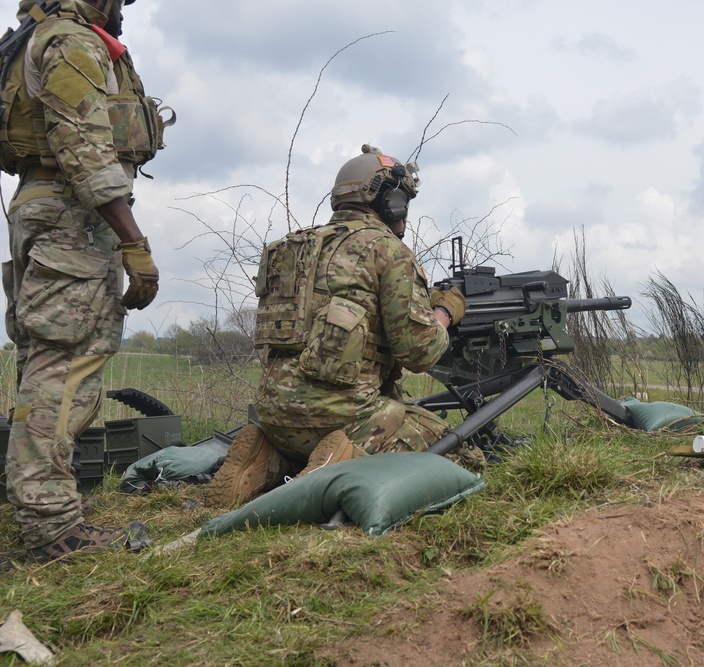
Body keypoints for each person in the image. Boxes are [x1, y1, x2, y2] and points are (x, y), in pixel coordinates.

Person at [205, 145, 483, 508]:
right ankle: (338, 464)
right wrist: (444, 312)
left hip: (274, 417)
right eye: (402, 201)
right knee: (461, 454)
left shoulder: (285, 249)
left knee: (310, 431)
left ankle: (267, 456)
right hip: (345, 419)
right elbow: (420, 353)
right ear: (388, 201)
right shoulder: (387, 250)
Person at [1, 0, 169, 562]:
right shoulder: (72, 42)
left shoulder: (35, 38)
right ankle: (51, 526)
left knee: (43, 363)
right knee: (66, 364)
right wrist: (132, 241)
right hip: (71, 216)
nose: (123, 8)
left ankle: (38, 504)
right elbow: (84, 150)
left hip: (42, 208)